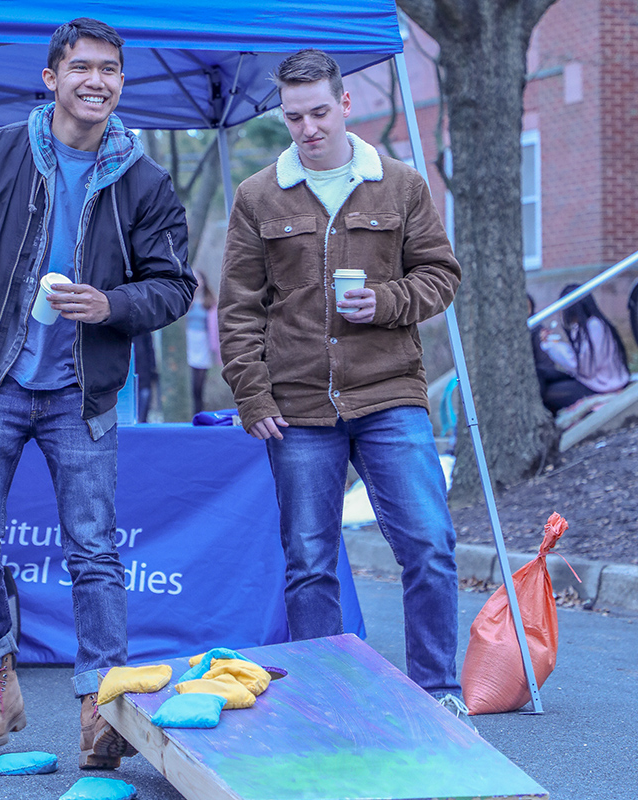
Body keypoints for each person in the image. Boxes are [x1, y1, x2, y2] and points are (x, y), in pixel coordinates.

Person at [0, 18, 196, 764]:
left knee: (94, 553)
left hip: (82, 396)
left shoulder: (144, 179)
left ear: (122, 82)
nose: (97, 80)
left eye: (110, 69)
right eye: (82, 67)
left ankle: (102, 711)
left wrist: (111, 305)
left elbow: (175, 286)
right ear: (50, 78)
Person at [218, 50, 472, 726]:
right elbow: (238, 306)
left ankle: (437, 690)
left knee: (427, 541)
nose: (307, 128)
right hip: (297, 404)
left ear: (346, 104)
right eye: (294, 116)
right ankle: (323, 698)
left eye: (319, 112)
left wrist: (388, 300)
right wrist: (252, 392)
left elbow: (442, 275)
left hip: (389, 392)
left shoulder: (400, 185)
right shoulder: (257, 196)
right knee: (308, 559)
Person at [558, 283, 630, 396]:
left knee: (551, 391)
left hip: (604, 385)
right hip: (600, 382)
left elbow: (585, 368)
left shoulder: (594, 326)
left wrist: (552, 347)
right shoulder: (588, 326)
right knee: (546, 375)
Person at [527, 294, 591, 415]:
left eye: (528, 308)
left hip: (545, 373)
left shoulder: (536, 328)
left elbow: (550, 364)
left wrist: (549, 345)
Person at [185, 269, 220, 415]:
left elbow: (214, 327)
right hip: (190, 342)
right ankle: (194, 410)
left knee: (200, 380)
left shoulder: (210, 303)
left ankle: (199, 410)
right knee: (192, 379)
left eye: (199, 279)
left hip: (203, 342)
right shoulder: (187, 301)